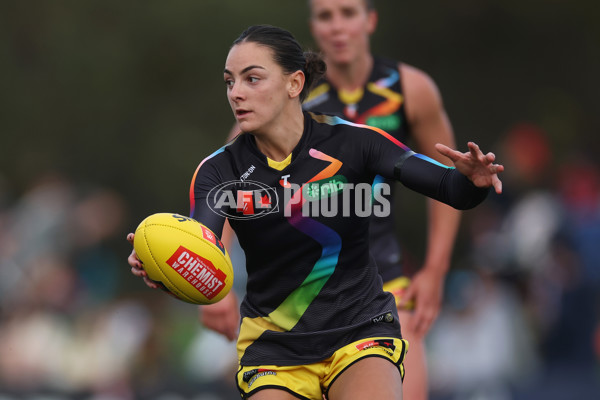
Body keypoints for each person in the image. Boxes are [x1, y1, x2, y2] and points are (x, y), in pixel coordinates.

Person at [128, 24, 503, 399]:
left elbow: (451, 188)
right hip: (275, 349)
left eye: (252, 79)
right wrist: (166, 265)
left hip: (359, 331)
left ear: (295, 84)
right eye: (229, 82)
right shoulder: (217, 171)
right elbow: (205, 251)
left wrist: (473, 181)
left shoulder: (355, 142)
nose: (236, 93)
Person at [206, 1, 461, 398]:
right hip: (294, 304)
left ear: (370, 20)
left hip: (381, 281)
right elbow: (233, 189)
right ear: (314, 27)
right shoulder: (286, 94)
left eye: (347, 13)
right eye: (325, 16)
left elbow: (448, 178)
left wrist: (436, 269)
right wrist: (214, 288)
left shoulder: (410, 88)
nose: (337, 27)